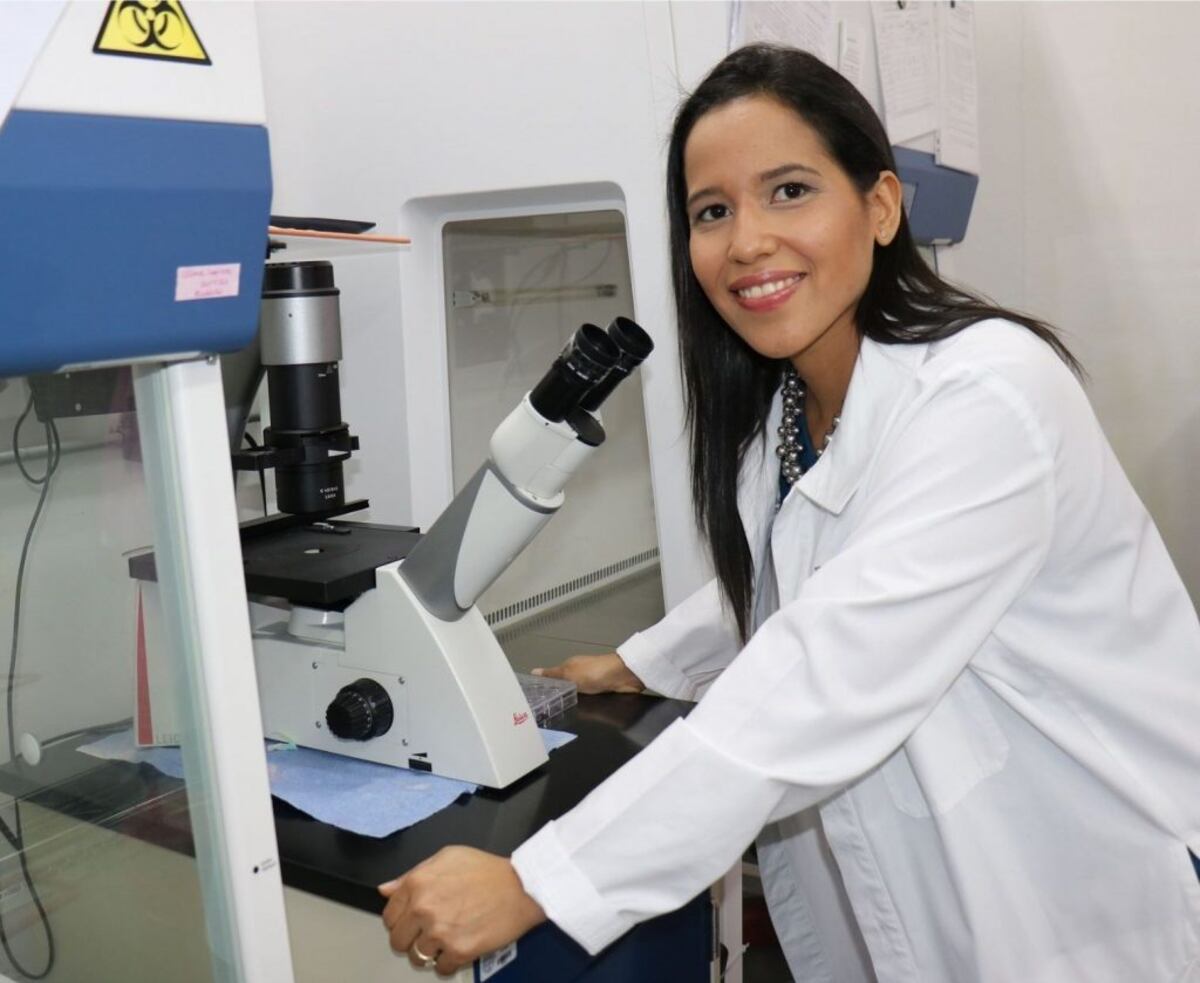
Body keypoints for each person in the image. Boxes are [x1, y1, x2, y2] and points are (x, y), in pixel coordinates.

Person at [378, 44, 1200, 981]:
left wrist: (543, 879)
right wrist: (648, 659)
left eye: (790, 191)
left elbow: (829, 663)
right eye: (712, 211)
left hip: (1081, 887)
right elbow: (804, 575)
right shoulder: (784, 414)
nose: (747, 242)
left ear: (880, 207)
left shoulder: (990, 395)